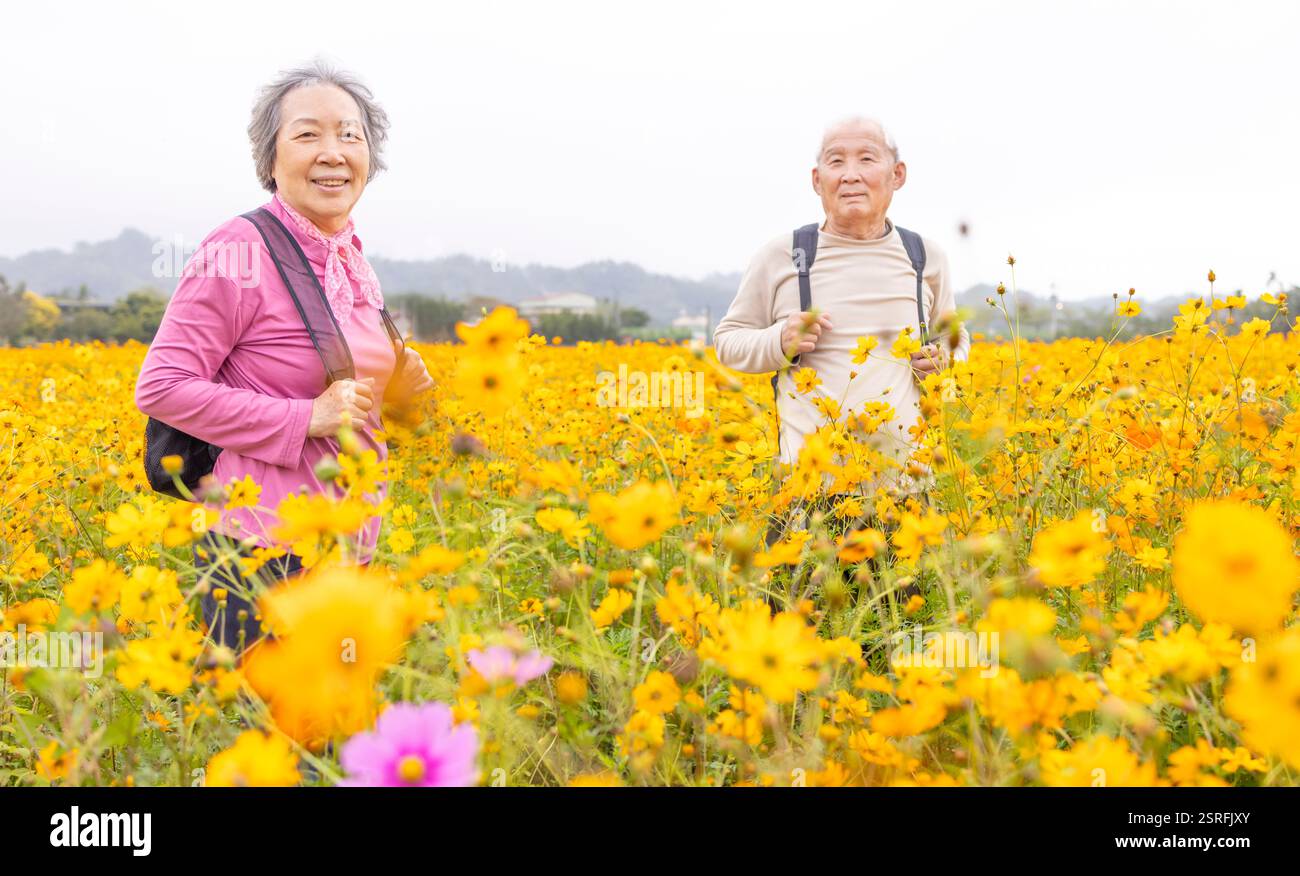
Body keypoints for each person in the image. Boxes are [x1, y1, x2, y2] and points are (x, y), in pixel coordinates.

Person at [134, 60, 434, 651]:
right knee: (273, 738)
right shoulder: (240, 248)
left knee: (333, 738)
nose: (333, 151)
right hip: (263, 559)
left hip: (348, 554)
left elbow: (341, 388)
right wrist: (307, 418)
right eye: (307, 134)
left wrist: (402, 382)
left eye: (351, 135)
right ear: (268, 160)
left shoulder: (347, 255)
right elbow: (162, 386)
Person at [713, 115, 970, 552]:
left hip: (904, 495)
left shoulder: (925, 256)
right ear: (817, 180)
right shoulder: (782, 255)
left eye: (867, 158)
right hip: (807, 499)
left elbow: (954, 336)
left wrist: (946, 360)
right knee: (796, 621)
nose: (850, 173)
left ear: (897, 175)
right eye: (836, 161)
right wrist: (779, 340)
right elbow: (729, 340)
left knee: (906, 619)